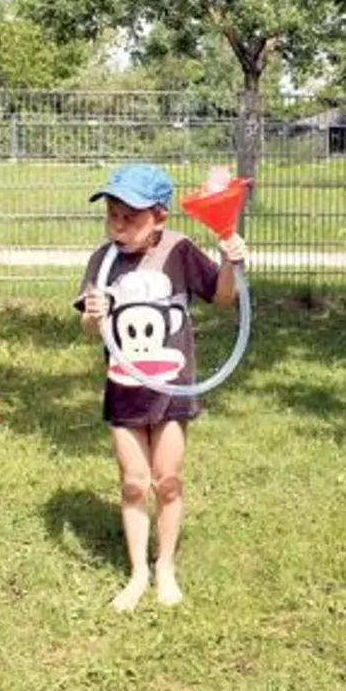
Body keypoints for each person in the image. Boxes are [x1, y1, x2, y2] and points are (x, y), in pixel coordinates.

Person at [75, 163, 246, 612]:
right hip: (124, 387)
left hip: (172, 389)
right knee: (134, 483)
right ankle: (137, 573)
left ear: (159, 217)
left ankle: (165, 566)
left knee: (167, 480)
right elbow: (89, 331)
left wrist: (232, 260)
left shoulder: (180, 251)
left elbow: (225, 298)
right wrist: (92, 314)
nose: (119, 225)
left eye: (130, 216)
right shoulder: (102, 259)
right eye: (112, 215)